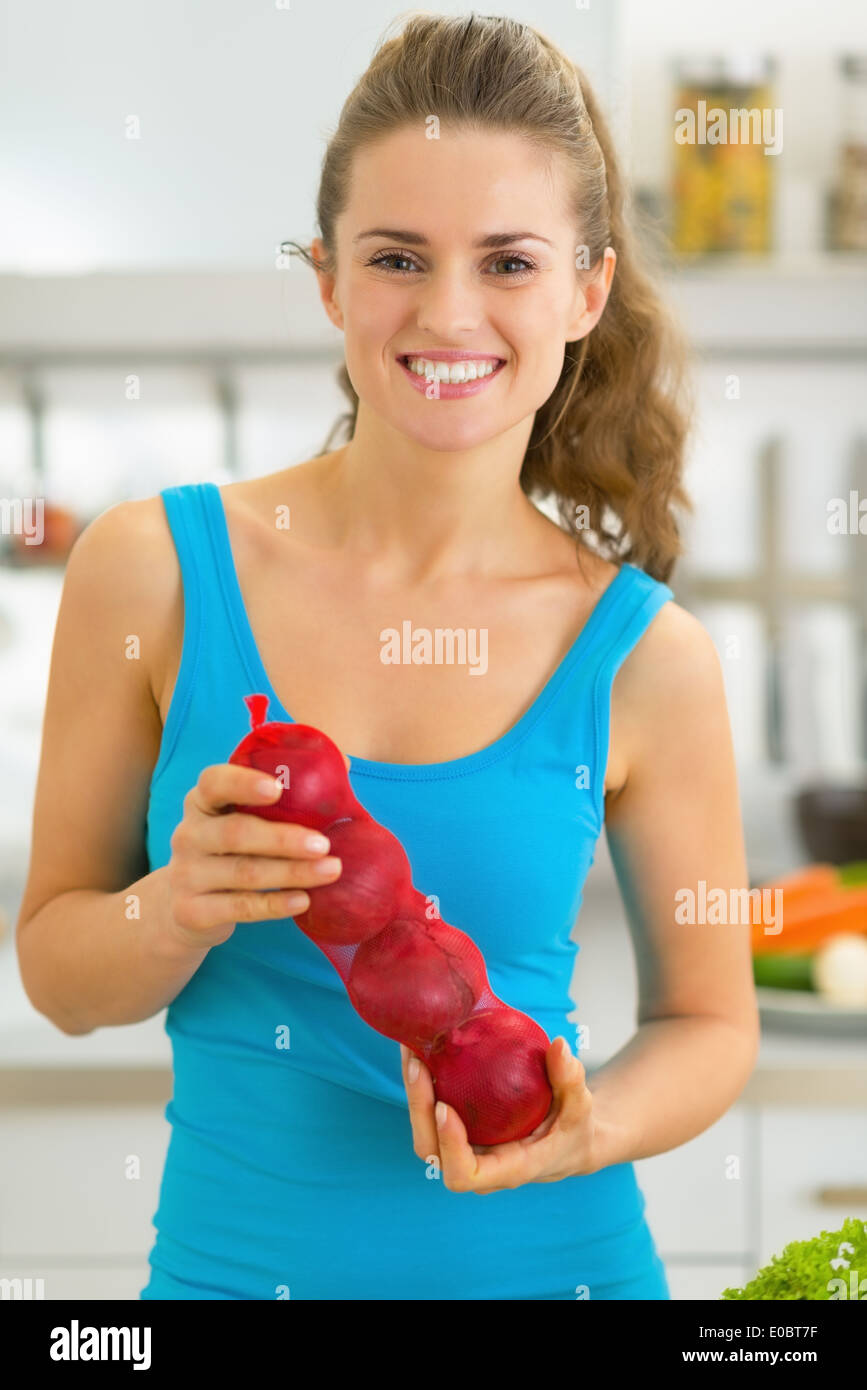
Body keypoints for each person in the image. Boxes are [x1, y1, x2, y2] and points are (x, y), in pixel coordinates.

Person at [16, 13, 759, 1300]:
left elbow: (711, 1024)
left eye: (509, 262)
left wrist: (594, 1127)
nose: (449, 312)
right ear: (328, 280)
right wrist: (173, 904)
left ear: (586, 288)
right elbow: (61, 975)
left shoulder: (645, 654)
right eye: (398, 257)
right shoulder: (154, 570)